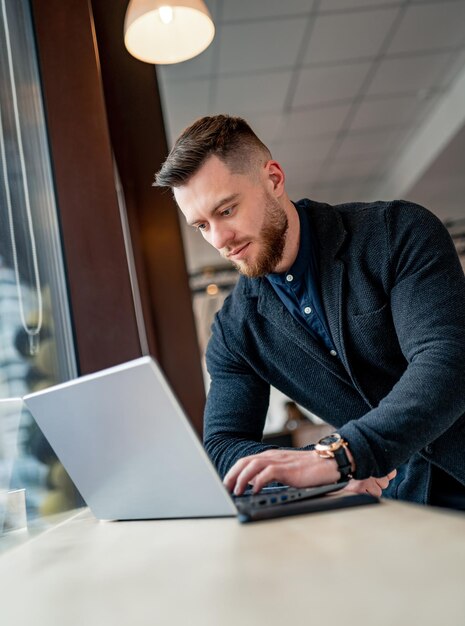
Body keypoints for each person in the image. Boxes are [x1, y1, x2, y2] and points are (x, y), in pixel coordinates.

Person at [154, 115, 465, 510]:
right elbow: (222, 445)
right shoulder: (235, 328)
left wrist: (339, 456)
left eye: (227, 210)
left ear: (274, 179)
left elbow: (447, 362)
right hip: (406, 508)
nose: (219, 240)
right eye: (201, 225)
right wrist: (308, 469)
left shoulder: (396, 231)